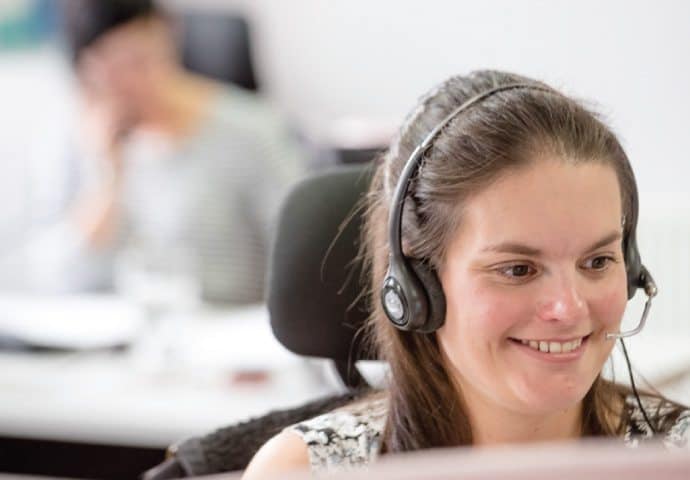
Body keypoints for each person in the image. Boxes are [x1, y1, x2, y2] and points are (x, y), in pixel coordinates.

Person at [241, 70, 690, 478]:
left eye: (597, 262)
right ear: (419, 283)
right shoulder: (306, 473)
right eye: (518, 269)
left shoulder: (676, 456)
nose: (569, 308)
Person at [9, 0, 304, 304]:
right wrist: (107, 176)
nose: (131, 80)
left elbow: (301, 255)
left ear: (169, 35)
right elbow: (50, 278)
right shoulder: (74, 139)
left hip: (222, 331)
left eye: (140, 60)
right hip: (109, 341)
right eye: (110, 67)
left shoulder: (251, 130)